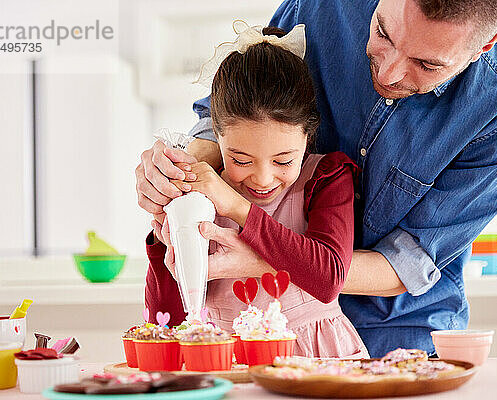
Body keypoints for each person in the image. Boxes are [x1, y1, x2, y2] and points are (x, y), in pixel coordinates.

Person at [136, 0, 497, 357]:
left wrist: (268, 262)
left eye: (426, 64)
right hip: (257, 337)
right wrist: (181, 174)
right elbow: (230, 111)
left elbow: (404, 265)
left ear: (484, 46)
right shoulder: (322, 6)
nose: (390, 71)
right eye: (383, 32)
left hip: (397, 333)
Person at [145, 23, 368, 358]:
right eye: (241, 159)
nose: (263, 179)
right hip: (224, 358)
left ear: (307, 137)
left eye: (283, 160)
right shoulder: (199, 195)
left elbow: (328, 277)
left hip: (316, 358)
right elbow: (166, 323)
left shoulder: (326, 178)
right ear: (215, 136)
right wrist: (165, 243)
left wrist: (236, 206)